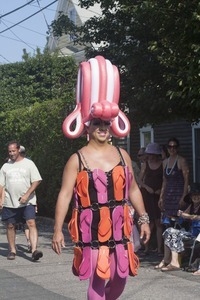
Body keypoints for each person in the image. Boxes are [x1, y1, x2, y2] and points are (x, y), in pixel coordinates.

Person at [52, 55, 150, 300]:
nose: (103, 127)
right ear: (88, 126)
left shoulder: (122, 154)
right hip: (91, 228)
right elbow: (65, 195)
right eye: (97, 122)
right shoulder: (77, 159)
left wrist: (144, 219)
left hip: (120, 227)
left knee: (119, 279)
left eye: (106, 122)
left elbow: (134, 190)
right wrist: (56, 230)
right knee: (97, 278)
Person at [0, 140, 43, 261]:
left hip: (27, 201)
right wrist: (0, 199)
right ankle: (12, 250)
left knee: (31, 223)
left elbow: (37, 180)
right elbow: (1, 185)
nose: (11, 153)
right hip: (10, 202)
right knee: (10, 226)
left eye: (13, 151)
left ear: (19, 150)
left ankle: (34, 250)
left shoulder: (29, 164)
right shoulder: (5, 166)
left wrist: (27, 194)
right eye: (9, 151)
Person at [155, 183, 200, 271]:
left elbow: (196, 217)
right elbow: (182, 217)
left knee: (173, 233)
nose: (196, 197)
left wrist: (187, 216)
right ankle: (167, 260)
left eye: (198, 195)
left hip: (197, 237)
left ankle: (174, 262)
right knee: (169, 231)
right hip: (190, 235)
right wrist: (180, 215)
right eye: (194, 195)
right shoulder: (191, 206)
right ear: (191, 197)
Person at [139, 143, 163, 255]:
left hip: (158, 194)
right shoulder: (146, 164)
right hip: (147, 194)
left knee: (158, 222)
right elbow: (139, 180)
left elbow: (165, 180)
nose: (151, 156)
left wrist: (161, 190)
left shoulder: (163, 164)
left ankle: (159, 248)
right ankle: (146, 247)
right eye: (150, 154)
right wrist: (146, 187)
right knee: (148, 221)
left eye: (154, 154)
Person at [159, 137, 189, 223]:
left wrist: (184, 196)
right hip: (168, 195)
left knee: (179, 221)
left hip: (178, 194)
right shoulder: (165, 162)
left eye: (174, 147)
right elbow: (164, 181)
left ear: (178, 148)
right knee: (168, 221)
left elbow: (186, 180)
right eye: (170, 147)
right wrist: (161, 197)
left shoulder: (181, 161)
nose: (172, 149)